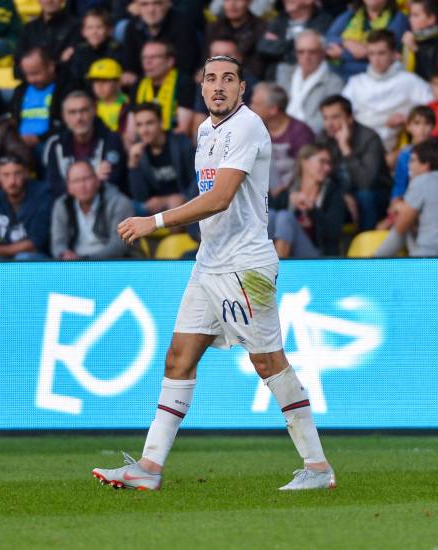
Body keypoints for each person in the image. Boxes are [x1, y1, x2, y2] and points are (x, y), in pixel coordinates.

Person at [94, 54, 336, 492]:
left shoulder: (246, 126)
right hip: (210, 262)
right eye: (211, 79)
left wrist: (157, 221)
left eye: (229, 79)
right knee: (178, 359)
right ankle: (149, 468)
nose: (219, 86)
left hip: (246, 266)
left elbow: (221, 197)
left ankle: (318, 469)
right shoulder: (206, 131)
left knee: (267, 361)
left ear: (242, 89)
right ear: (202, 89)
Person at [375, 139, 438, 257]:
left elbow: (400, 227)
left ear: (426, 165)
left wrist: (399, 209)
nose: (408, 165)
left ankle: (373, 265)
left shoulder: (422, 181)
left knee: (403, 226)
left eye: (412, 160)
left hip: (432, 260)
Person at [340, 29, 432, 152]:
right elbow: (341, 114)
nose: (376, 60)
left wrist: (408, 118)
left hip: (391, 146)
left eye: (381, 53)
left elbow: (432, 108)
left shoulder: (409, 81)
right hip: (356, 142)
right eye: (371, 54)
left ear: (394, 54)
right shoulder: (355, 83)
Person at [318, 93, 392, 230]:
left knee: (365, 195)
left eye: (335, 117)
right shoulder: (323, 138)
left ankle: (364, 246)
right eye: (325, 118)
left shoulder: (370, 138)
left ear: (350, 118)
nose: (329, 123)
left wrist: (345, 148)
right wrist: (343, 194)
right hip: (342, 193)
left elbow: (365, 182)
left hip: (377, 195)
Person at [43, 91, 127, 198]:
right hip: (69, 207)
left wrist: (75, 182)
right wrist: (94, 176)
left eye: (84, 110)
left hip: (106, 204)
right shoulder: (55, 144)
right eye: (72, 112)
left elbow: (113, 180)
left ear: (94, 111)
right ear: (64, 117)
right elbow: (54, 186)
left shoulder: (111, 139)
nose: (79, 118)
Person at [269, 143, 346, 257]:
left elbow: (334, 232)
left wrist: (313, 212)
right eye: (322, 161)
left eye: (329, 163)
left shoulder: (333, 194)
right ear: (304, 162)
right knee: (271, 215)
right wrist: (288, 200)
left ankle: (278, 272)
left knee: (286, 217)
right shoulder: (288, 193)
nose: (327, 168)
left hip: (319, 257)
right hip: (289, 251)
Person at [0, 156, 53, 260]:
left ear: (25, 174)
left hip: (37, 257)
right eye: (6, 175)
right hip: (4, 256)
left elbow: (36, 242)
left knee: (22, 258)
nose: (12, 181)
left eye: (17, 174)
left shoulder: (42, 196)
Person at [51, 159, 136, 259]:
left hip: (112, 263)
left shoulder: (119, 203)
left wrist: (87, 260)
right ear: (69, 187)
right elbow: (58, 242)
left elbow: (120, 244)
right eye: (76, 181)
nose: (82, 185)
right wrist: (64, 254)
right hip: (74, 265)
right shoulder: (62, 205)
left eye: (86, 178)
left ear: (97, 181)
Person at [249, 82, 315, 199]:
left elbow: (306, 169)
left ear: (273, 109)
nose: (251, 108)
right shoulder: (256, 129)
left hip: (293, 195)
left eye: (256, 104)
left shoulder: (300, 132)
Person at [128, 102, 195, 216]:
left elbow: (197, 180)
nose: (144, 130)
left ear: (161, 122)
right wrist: (133, 164)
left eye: (149, 123)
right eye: (139, 125)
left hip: (184, 204)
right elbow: (140, 197)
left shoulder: (182, 144)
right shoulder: (139, 152)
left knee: (175, 206)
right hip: (154, 210)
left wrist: (173, 199)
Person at [275, 29, 345, 134]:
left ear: (323, 52)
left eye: (312, 52)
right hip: (277, 133)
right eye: (301, 52)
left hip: (308, 137)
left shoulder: (334, 82)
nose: (306, 57)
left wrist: (298, 135)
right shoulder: (284, 73)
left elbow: (326, 119)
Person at [324, 0, 409, 80]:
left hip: (373, 77)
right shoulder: (351, 15)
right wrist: (346, 42)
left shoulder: (398, 18)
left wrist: (343, 54)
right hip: (337, 73)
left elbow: (380, 51)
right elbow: (329, 38)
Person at [121, 0, 200, 81]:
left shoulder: (183, 25)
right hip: (143, 82)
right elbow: (130, 67)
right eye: (144, 4)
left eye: (157, 3)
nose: (151, 10)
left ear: (168, 4)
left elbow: (186, 67)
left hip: (176, 83)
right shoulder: (132, 27)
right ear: (137, 7)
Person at [130, 40, 196, 135]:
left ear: (170, 61)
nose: (147, 62)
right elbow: (131, 130)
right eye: (144, 58)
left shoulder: (183, 83)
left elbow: (183, 129)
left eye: (154, 57)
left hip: (173, 143)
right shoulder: (138, 84)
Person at [9, 47, 63, 162]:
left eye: (36, 73)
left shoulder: (64, 89)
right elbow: (12, 119)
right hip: (20, 144)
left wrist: (39, 138)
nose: (31, 79)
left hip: (48, 143)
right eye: (27, 75)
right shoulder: (20, 91)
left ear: (51, 67)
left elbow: (66, 124)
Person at [256, 0, 333, 80]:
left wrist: (278, 46)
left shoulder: (323, 21)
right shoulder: (280, 19)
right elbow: (263, 47)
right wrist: (292, 46)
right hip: (273, 79)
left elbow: (307, 52)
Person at [203, 0, 267, 79]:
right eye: (227, 0)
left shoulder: (261, 29)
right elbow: (205, 59)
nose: (232, 4)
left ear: (249, 2)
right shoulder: (213, 28)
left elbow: (258, 66)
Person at [63, 7, 123, 90]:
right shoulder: (79, 51)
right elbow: (75, 79)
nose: (94, 32)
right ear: (83, 32)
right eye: (90, 28)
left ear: (109, 30)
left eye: (99, 27)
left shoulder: (116, 50)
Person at [14, 0, 78, 74]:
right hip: (31, 83)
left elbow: (75, 67)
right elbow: (17, 69)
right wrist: (59, 63)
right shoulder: (29, 29)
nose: (49, 1)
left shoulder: (76, 27)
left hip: (64, 83)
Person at [401, 0, 438, 81]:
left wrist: (415, 49)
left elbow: (433, 76)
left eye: (416, 15)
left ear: (431, 19)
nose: (410, 19)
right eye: (410, 15)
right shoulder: (414, 37)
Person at [87, 58, 130, 133]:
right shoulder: (90, 106)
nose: (99, 86)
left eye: (104, 81)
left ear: (118, 82)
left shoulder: (128, 105)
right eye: (95, 81)